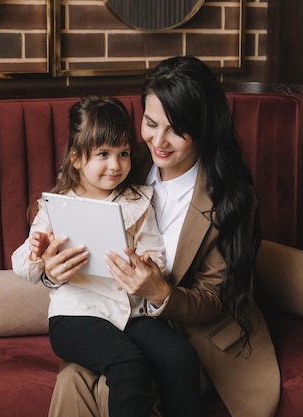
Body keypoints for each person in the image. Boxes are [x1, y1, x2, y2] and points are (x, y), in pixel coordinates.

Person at [43, 56, 281, 417]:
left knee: (119, 384)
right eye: (150, 123)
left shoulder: (231, 198)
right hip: (116, 321)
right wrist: (50, 269)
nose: (158, 141)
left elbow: (213, 299)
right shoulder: (124, 164)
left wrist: (159, 292)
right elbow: (65, 213)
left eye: (175, 130)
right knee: (74, 380)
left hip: (193, 336)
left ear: (203, 128)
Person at [11, 96, 201, 417]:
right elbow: (22, 266)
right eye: (103, 154)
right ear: (76, 158)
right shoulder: (56, 206)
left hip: (131, 314)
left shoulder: (138, 202)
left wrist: (145, 268)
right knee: (128, 362)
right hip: (76, 317)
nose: (115, 165)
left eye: (123, 153)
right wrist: (39, 256)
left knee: (180, 355)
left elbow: (155, 253)